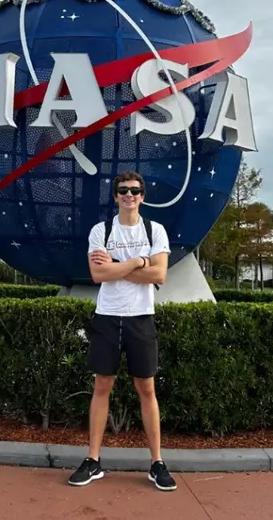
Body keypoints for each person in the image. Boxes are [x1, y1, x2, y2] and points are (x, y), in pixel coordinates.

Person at [68, 170, 175, 491]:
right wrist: (139, 263)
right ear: (115, 196)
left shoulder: (155, 230)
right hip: (107, 317)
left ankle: (157, 463)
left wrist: (118, 265)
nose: (130, 195)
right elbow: (98, 274)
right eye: (123, 190)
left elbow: (161, 275)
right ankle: (93, 460)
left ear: (143, 195)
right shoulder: (101, 230)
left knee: (147, 390)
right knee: (102, 387)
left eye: (135, 190)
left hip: (141, 317)